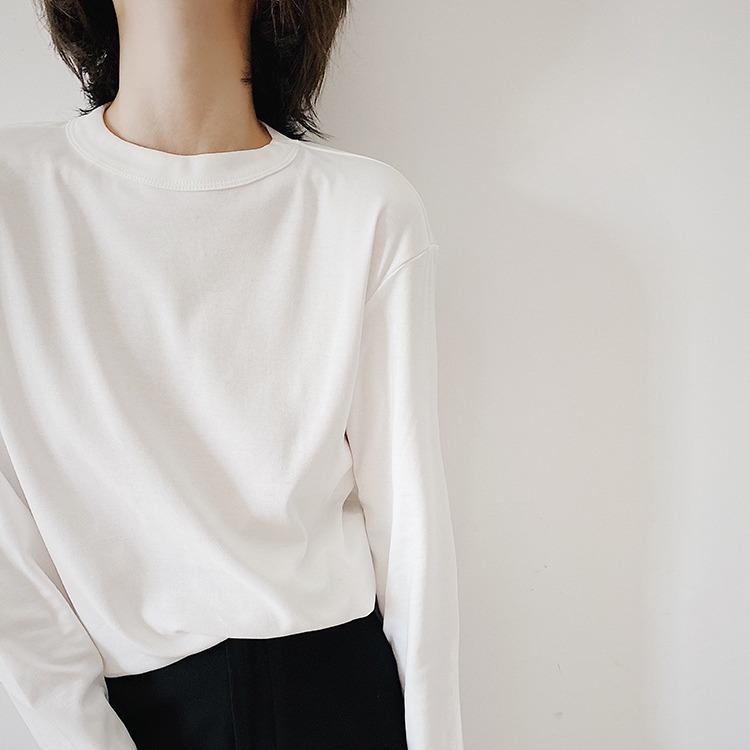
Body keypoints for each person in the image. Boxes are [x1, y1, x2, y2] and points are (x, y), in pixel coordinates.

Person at [0, 1, 463, 748]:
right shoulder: (15, 194)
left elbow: (410, 529)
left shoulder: (364, 209)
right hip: (135, 711)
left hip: (340, 693)